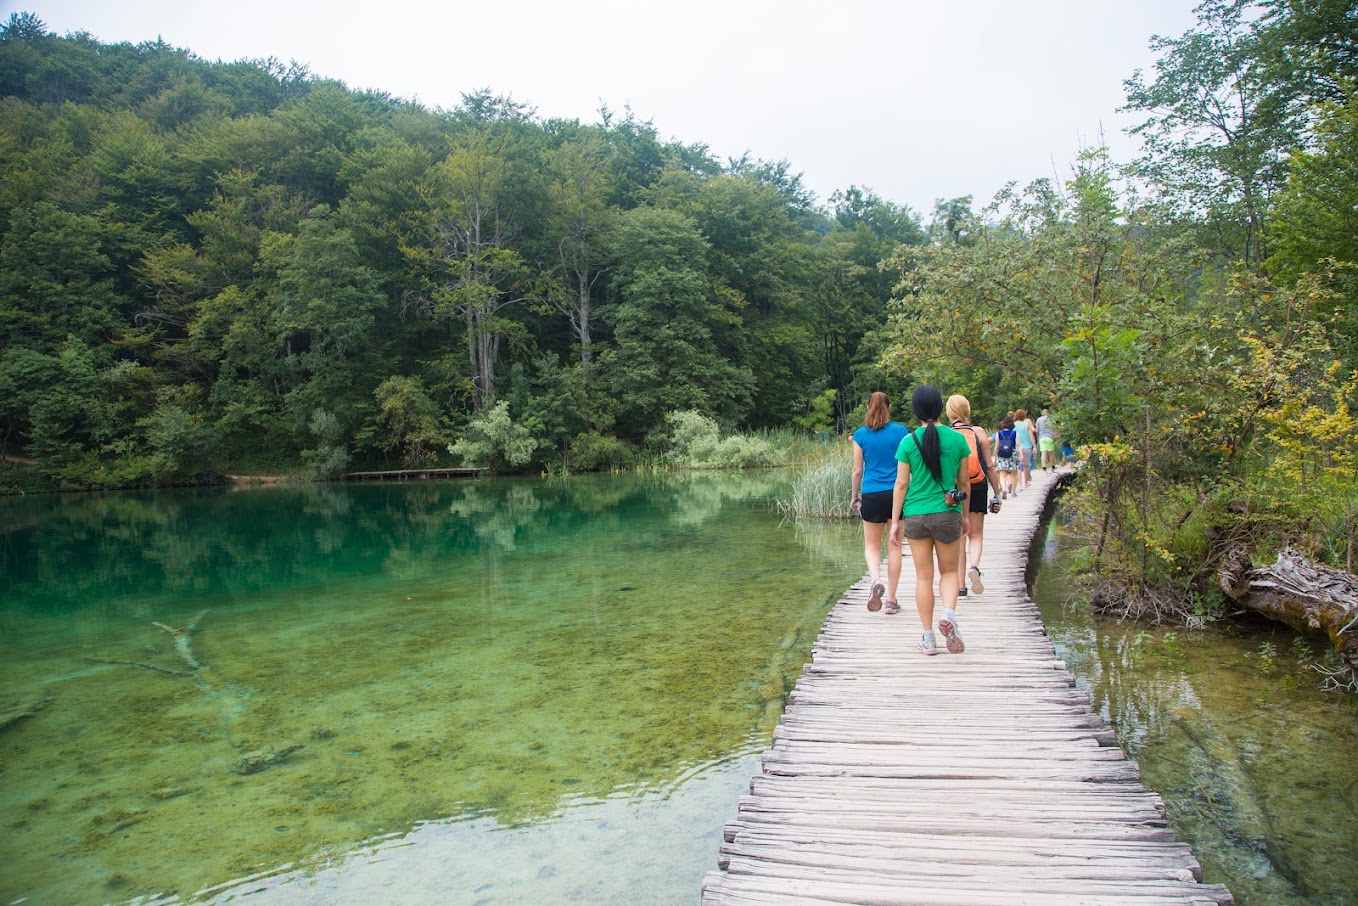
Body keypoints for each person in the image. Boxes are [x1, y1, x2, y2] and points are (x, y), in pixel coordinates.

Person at [889, 385, 972, 655]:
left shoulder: (907, 442)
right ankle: (948, 614)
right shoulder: (957, 440)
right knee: (949, 572)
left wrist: (894, 522)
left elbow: (901, 484)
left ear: (916, 411)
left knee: (924, 577)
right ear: (940, 407)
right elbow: (963, 483)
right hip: (948, 514)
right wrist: (966, 516)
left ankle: (928, 638)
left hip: (916, 516)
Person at [850, 392, 909, 615]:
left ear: (867, 408)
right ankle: (892, 601)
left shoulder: (861, 435)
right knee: (894, 546)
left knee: (872, 545)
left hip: (872, 494)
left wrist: (855, 496)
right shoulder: (901, 432)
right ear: (889, 407)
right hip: (896, 495)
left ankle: (875, 580)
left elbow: (857, 470)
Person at [947, 394, 1001, 600]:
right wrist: (997, 493)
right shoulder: (978, 432)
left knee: (960, 535)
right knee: (976, 534)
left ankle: (960, 586)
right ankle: (975, 567)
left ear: (949, 411)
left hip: (956, 489)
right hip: (977, 485)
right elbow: (988, 465)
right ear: (967, 410)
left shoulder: (946, 434)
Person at [993, 414, 1019, 499]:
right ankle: (1014, 491)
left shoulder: (999, 434)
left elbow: (996, 447)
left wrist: (995, 458)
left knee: (1002, 474)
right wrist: (1021, 455)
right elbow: (1018, 445)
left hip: (1002, 455)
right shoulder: (1015, 433)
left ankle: (1004, 488)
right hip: (1012, 454)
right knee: (1014, 474)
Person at [1013, 408, 1037, 490]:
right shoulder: (1026, 424)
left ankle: (1019, 484)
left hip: (1016, 447)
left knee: (1018, 466)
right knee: (1026, 465)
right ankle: (1026, 482)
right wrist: (1034, 446)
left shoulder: (1013, 425)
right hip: (1027, 447)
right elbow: (1031, 436)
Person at [1036, 406, 1058, 471]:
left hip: (1042, 438)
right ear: (1048, 413)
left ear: (1042, 413)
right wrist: (1056, 438)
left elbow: (1037, 430)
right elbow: (1054, 429)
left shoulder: (1038, 419)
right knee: (1051, 452)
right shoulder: (1051, 419)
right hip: (1050, 437)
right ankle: (1052, 466)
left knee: (1043, 453)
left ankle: (1044, 467)